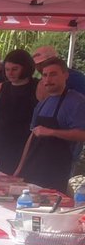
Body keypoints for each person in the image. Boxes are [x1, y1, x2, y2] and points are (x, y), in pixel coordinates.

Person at [19, 57, 85, 193]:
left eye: (53, 74)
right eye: (45, 75)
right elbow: (32, 136)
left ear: (65, 75)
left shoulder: (77, 102)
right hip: (32, 168)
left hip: (56, 171)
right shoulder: (43, 103)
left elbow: (82, 135)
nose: (48, 80)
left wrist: (51, 132)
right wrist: (20, 168)